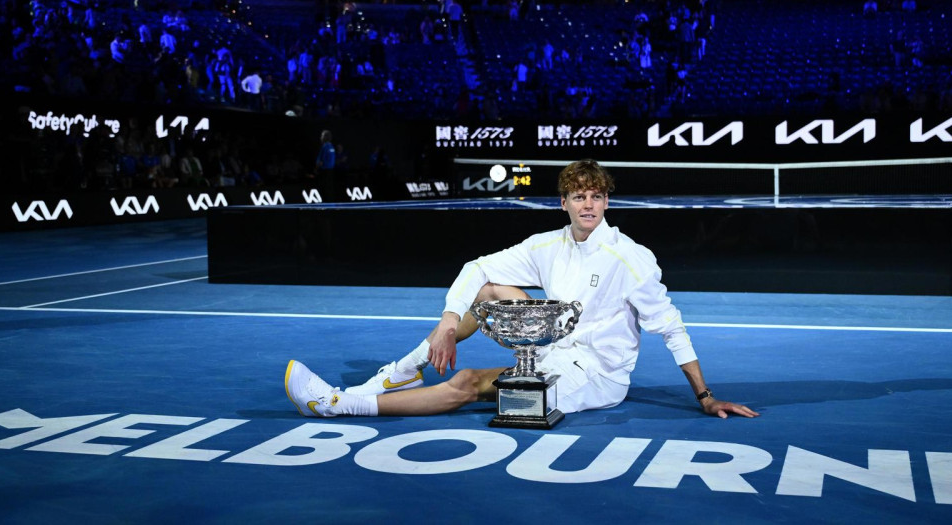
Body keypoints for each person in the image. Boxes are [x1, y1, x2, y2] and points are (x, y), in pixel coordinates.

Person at [285, 160, 759, 420]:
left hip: (594, 374)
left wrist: (705, 396)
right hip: (552, 345)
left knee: (468, 382)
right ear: (564, 203)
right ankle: (403, 370)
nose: (588, 204)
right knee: (489, 288)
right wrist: (449, 321)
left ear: (607, 201)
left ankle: (340, 405)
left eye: (596, 196)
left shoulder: (630, 257)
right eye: (579, 196)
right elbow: (476, 268)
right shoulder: (548, 244)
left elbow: (670, 327)